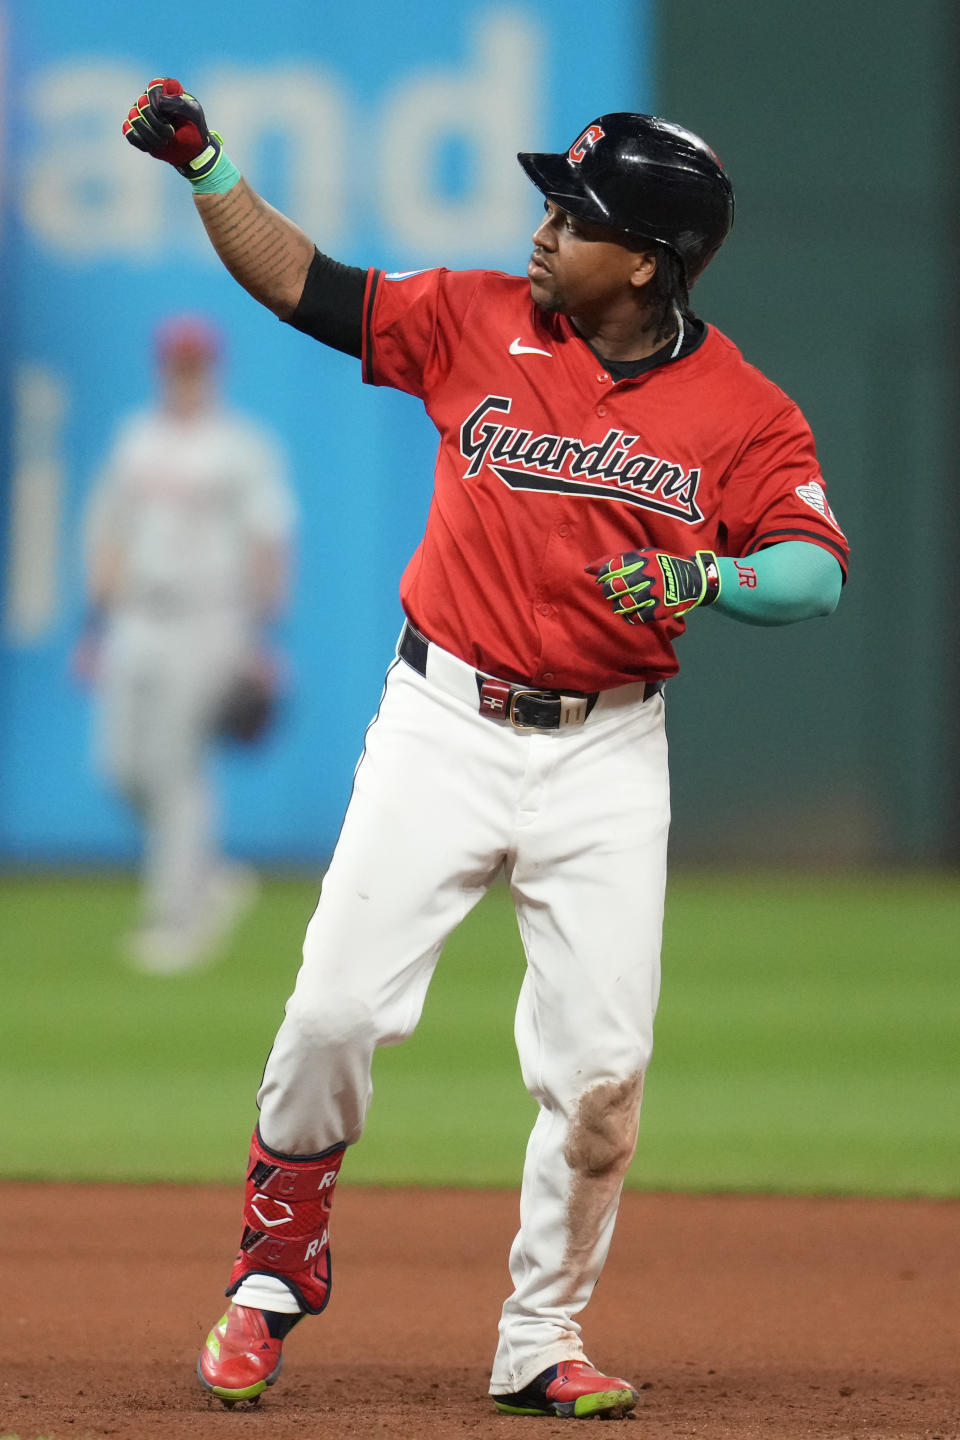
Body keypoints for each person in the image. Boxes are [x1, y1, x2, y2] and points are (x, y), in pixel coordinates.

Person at [123, 79, 848, 1418]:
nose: (543, 229)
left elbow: (811, 577)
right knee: (334, 1010)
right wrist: (208, 166)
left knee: (601, 1080)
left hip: (608, 758)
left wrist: (706, 584)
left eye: (575, 216)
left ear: (647, 259)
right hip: (442, 722)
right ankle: (274, 1275)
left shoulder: (741, 409)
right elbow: (305, 283)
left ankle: (541, 1337)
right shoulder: (471, 318)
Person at [79, 312, 297, 974]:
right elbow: (108, 535)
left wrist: (262, 639)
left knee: (177, 769)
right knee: (118, 768)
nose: (185, 374)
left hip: (211, 618)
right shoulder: (134, 441)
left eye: (195, 363)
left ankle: (180, 919)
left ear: (214, 369)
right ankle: (207, 873)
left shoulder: (241, 447)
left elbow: (270, 541)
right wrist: (93, 628)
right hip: (136, 616)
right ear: (161, 368)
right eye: (177, 363)